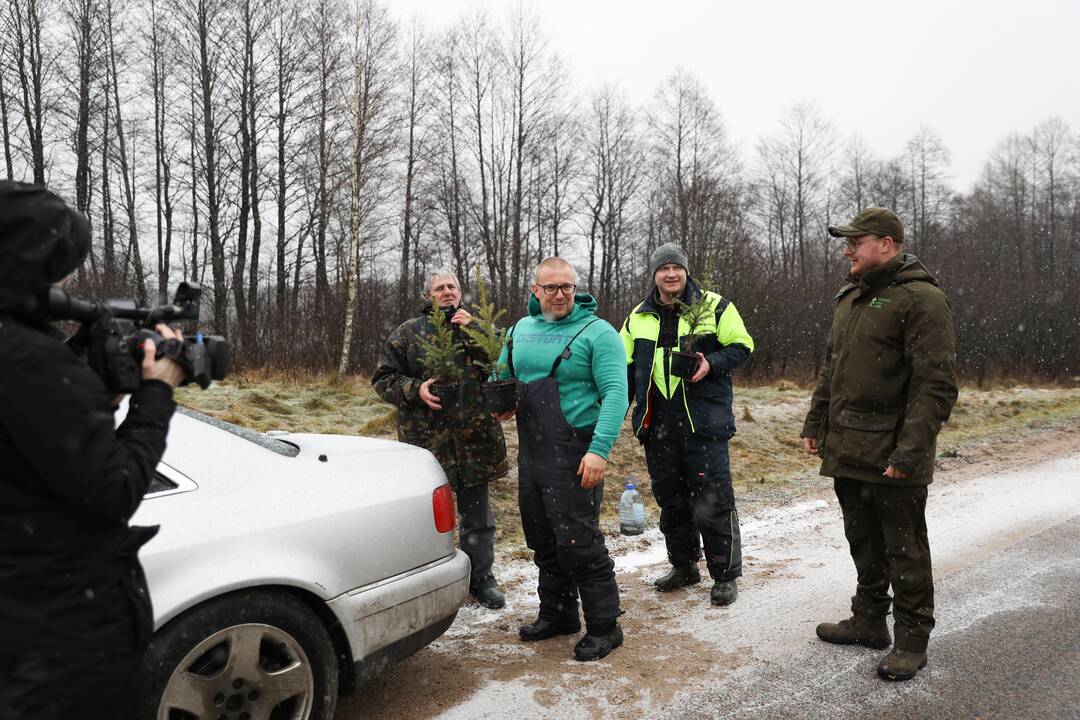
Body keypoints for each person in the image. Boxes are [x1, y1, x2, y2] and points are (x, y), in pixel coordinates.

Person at [0, 181, 186, 719]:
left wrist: (88, 385)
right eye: (59, 267)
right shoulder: (28, 362)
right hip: (61, 643)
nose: (63, 282)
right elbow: (113, 490)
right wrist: (157, 391)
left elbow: (37, 451)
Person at [801, 207, 958, 682]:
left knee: (904, 547)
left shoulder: (921, 299)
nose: (847, 250)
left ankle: (912, 639)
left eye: (856, 242)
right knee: (862, 539)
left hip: (893, 453)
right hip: (848, 445)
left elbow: (935, 385)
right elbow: (833, 368)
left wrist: (908, 453)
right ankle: (870, 621)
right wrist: (816, 421)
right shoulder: (850, 297)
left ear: (886, 244)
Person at [493, 257, 628, 661]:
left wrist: (599, 450)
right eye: (550, 287)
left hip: (576, 452)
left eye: (566, 287)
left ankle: (605, 626)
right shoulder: (520, 330)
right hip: (532, 450)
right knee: (542, 538)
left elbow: (616, 395)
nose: (559, 295)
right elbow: (501, 376)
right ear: (535, 290)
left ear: (576, 288)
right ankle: (558, 612)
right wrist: (500, 404)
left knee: (579, 540)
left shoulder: (597, 332)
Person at [620, 244, 754, 606]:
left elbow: (743, 345)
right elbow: (623, 366)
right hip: (658, 422)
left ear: (686, 271)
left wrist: (711, 362)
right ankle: (684, 566)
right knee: (671, 499)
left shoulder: (715, 306)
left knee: (713, 499)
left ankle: (725, 575)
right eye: (663, 269)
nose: (671, 274)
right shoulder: (638, 317)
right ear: (654, 275)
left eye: (676, 268)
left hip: (702, 422)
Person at [372, 270, 510, 609]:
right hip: (427, 444)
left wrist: (476, 329)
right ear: (428, 295)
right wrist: (415, 389)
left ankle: (482, 579)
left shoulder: (476, 328)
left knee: (478, 518)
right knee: (429, 518)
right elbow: (382, 378)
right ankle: (431, 582)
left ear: (460, 293)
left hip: (474, 441)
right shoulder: (408, 334)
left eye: (452, 287)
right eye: (440, 288)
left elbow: (503, 363)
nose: (447, 292)